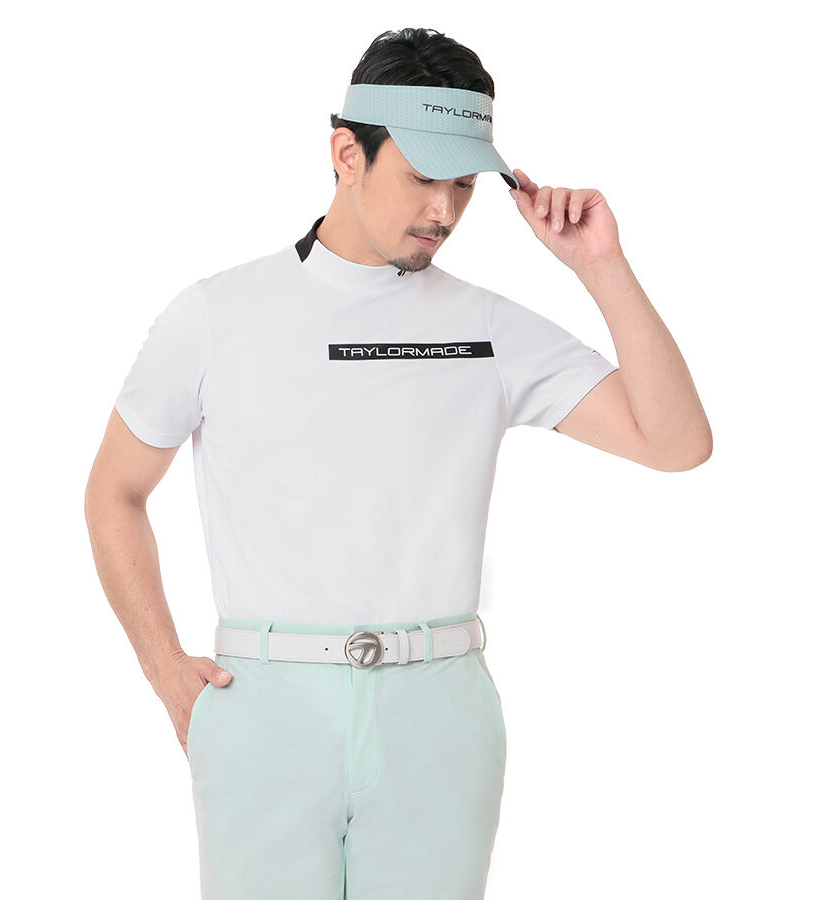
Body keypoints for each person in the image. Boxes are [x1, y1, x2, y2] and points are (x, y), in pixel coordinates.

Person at [84, 26, 712, 900]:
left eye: (465, 185)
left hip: (439, 713)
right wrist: (163, 668)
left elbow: (677, 443)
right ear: (347, 154)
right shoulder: (215, 317)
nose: (444, 212)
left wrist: (600, 268)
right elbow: (113, 492)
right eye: (423, 177)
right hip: (265, 706)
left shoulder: (487, 329)